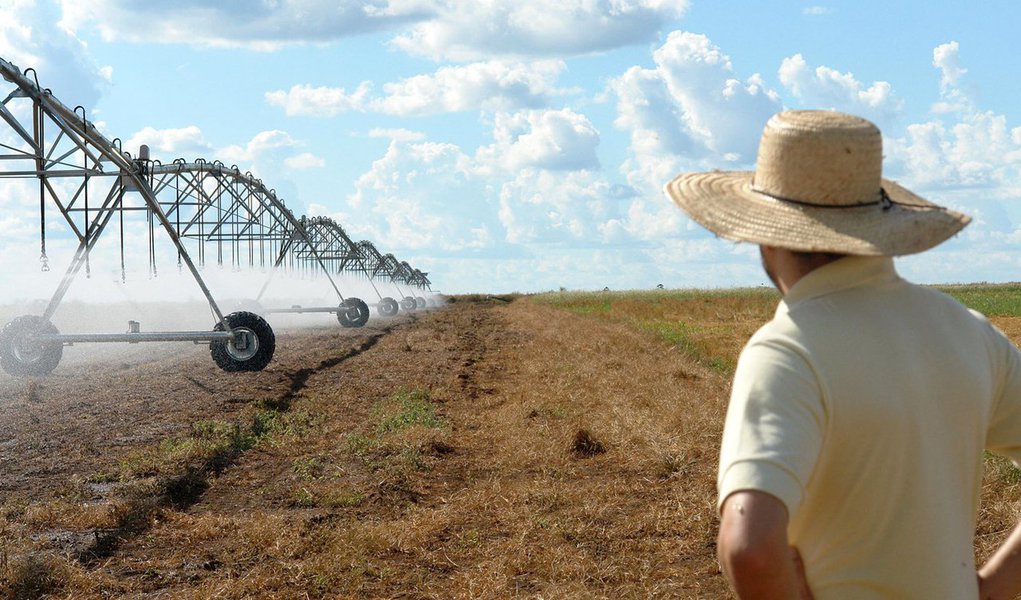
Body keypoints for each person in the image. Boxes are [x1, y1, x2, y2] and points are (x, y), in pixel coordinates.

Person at [664, 109, 1021, 599]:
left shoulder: (786, 349)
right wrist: (991, 588)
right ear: (880, 225)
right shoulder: (971, 332)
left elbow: (750, 547)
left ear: (766, 235)